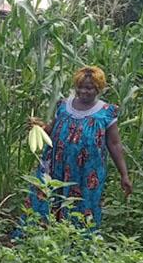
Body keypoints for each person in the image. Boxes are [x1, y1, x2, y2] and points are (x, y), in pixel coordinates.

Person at [17, 65, 132, 234]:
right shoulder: (63, 106)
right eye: (80, 87)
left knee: (81, 204)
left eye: (89, 88)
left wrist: (124, 174)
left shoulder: (106, 112)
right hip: (56, 166)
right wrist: (37, 126)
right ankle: (40, 235)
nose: (84, 92)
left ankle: (76, 241)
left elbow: (114, 144)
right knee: (48, 197)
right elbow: (51, 130)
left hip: (86, 171)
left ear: (98, 89)